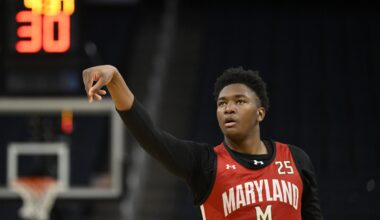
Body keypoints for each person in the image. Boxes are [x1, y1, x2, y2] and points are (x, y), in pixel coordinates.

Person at [82, 65, 323, 220]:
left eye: (239, 101)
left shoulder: (296, 159)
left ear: (260, 113)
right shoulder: (205, 163)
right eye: (222, 103)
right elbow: (151, 137)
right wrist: (115, 79)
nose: (229, 108)